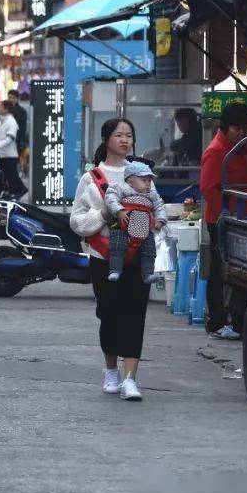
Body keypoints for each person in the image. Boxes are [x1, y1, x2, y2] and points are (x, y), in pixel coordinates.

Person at [70, 118, 152, 401]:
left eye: (129, 135)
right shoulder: (91, 178)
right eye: (119, 135)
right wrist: (103, 215)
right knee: (108, 313)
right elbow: (76, 221)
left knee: (135, 314)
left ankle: (131, 379)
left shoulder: (143, 174)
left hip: (139, 256)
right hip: (103, 257)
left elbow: (156, 206)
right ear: (106, 140)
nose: (125, 140)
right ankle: (111, 371)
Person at [200, 102, 247, 340]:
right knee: (219, 271)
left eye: (246, 128)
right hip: (224, 221)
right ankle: (216, 323)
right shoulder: (217, 150)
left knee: (240, 271)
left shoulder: (242, 148)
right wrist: (226, 217)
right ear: (225, 127)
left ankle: (237, 322)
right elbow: (208, 188)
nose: (242, 132)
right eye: (237, 128)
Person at [104, 161, 167, 284]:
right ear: (130, 181)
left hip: (144, 227)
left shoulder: (152, 195)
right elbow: (110, 198)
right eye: (144, 180)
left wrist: (160, 220)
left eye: (149, 181)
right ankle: (115, 270)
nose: (148, 184)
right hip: (122, 224)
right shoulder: (120, 188)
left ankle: (148, 274)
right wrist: (119, 211)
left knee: (149, 250)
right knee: (117, 245)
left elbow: (160, 207)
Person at [0, 100, 27, 198]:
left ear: (6, 109)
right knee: (5, 175)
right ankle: (9, 191)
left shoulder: (11, 122)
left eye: (0, 106)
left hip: (9, 154)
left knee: (11, 175)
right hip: (1, 153)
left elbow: (10, 138)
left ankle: (19, 191)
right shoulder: (2, 121)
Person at [8, 88, 29, 154]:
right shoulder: (5, 109)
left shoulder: (22, 111)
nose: (11, 100)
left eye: (13, 98)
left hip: (16, 140)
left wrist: (21, 143)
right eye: (9, 97)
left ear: (17, 99)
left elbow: (23, 128)